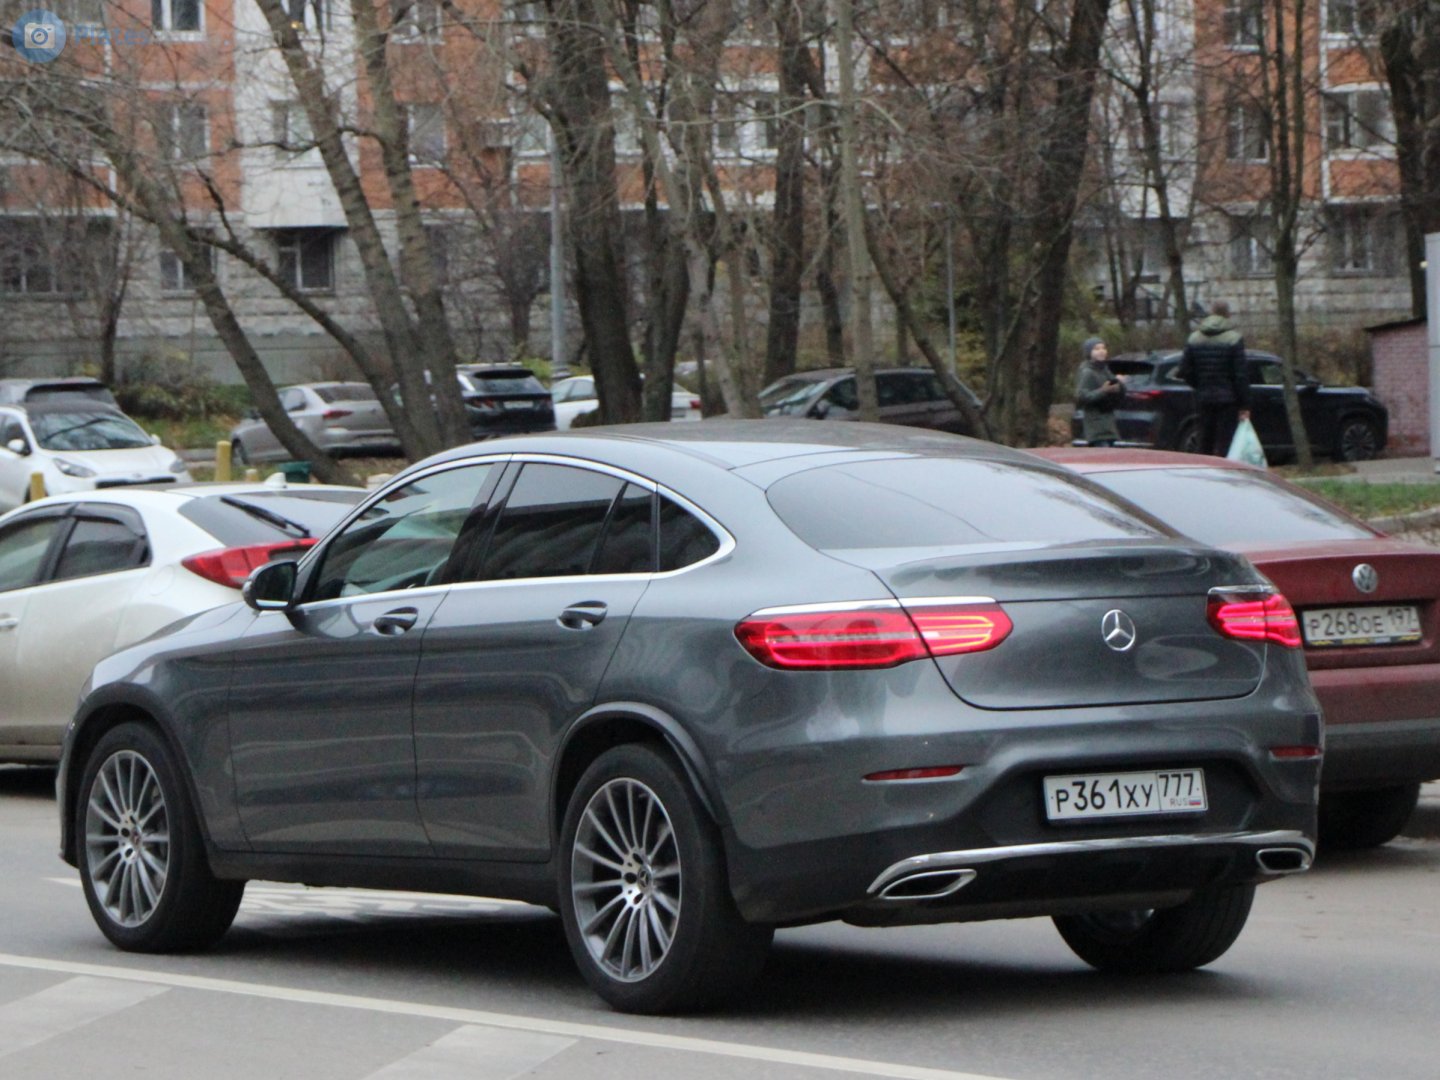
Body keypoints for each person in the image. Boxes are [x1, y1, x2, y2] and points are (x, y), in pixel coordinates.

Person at [1177, 301, 1251, 457]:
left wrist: (1199, 384)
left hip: (1204, 398)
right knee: (1226, 442)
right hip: (1228, 400)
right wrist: (1244, 404)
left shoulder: (1194, 338)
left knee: (1205, 441)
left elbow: (1183, 370)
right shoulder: (1234, 338)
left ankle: (1206, 473)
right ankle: (1224, 472)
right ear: (1227, 314)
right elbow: (1241, 375)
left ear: (1211, 313)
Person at [1074, 337, 1124, 447]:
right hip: (1096, 427)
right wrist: (1103, 390)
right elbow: (1081, 396)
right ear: (1089, 352)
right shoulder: (1087, 372)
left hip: (1108, 426)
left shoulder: (1105, 370)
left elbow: (1118, 395)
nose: (1101, 351)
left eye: (1103, 348)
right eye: (1096, 349)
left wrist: (1120, 384)